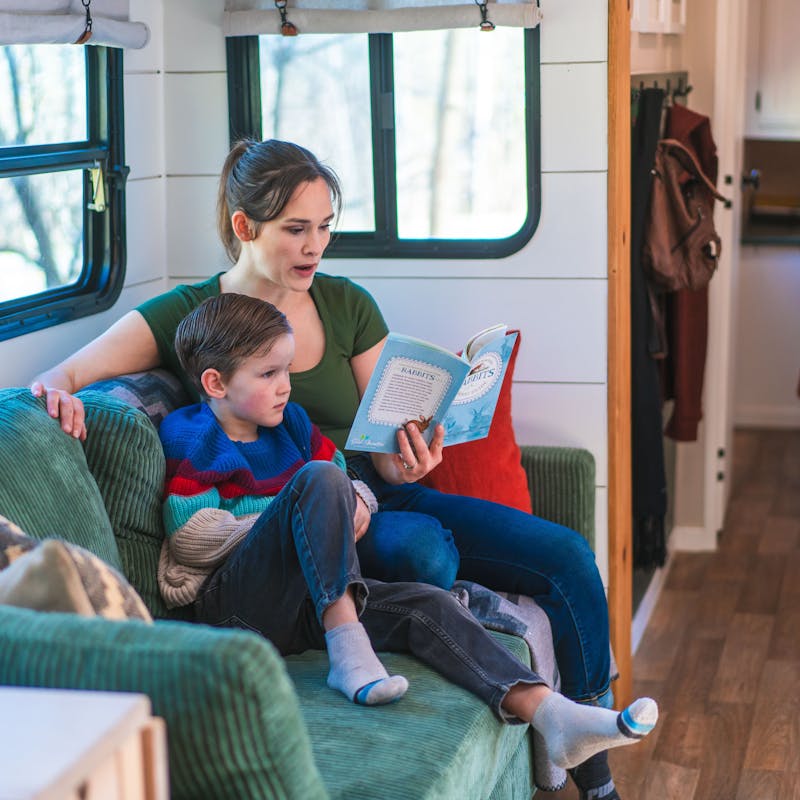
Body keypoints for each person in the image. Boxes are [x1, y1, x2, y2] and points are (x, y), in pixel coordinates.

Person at [32, 139, 624, 798]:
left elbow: (382, 442)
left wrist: (407, 464)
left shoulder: (346, 305)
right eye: (296, 229)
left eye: (324, 227)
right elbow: (73, 368)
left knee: (567, 553)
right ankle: (358, 623)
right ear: (243, 228)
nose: (315, 246)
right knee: (426, 559)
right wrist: (57, 387)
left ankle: (592, 757)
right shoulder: (199, 317)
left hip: (377, 491)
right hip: (299, 516)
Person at [156, 291, 657, 771]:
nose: (285, 384)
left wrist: (355, 504)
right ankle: (348, 646)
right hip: (238, 608)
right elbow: (192, 536)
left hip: (302, 601)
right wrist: (299, 519)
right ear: (216, 383)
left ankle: (552, 713)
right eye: (269, 373)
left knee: (427, 602)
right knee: (319, 478)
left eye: (287, 369)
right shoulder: (195, 435)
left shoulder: (289, 422)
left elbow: (348, 484)